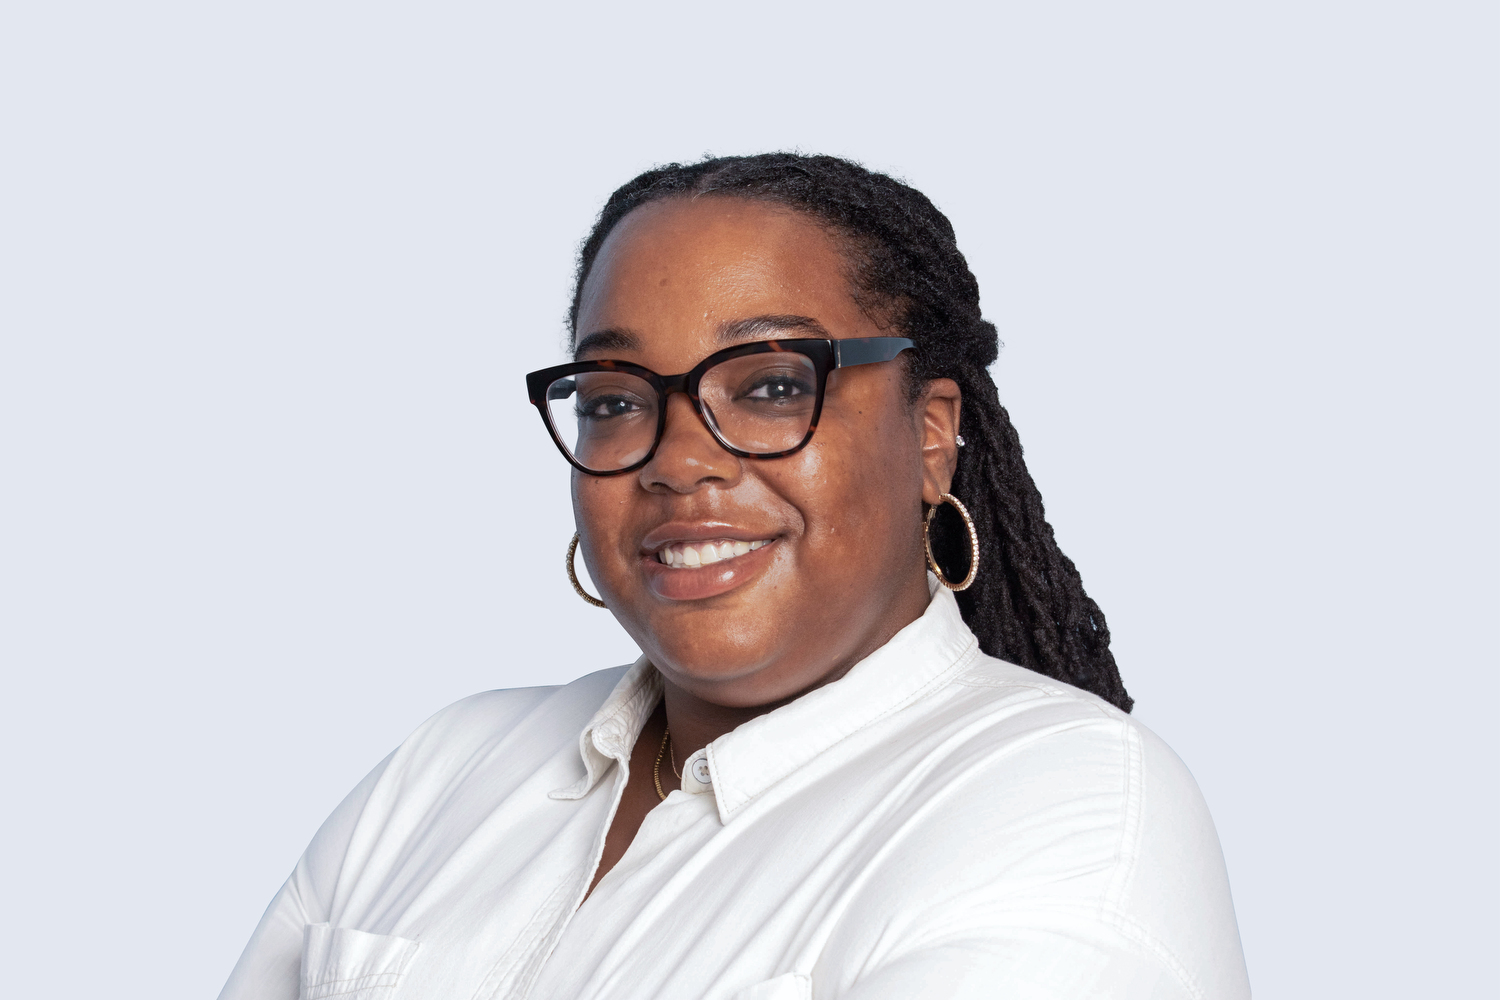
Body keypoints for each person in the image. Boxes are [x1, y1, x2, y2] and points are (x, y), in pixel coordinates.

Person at [220, 153, 1249, 1000]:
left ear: (932, 437)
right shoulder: (446, 770)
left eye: (769, 386)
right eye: (615, 399)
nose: (678, 460)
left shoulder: (1065, 801)